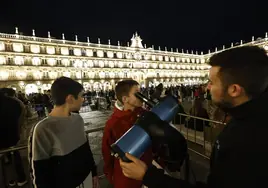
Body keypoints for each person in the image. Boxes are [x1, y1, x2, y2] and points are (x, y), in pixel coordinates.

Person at [119, 46, 268, 188]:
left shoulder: (247, 141)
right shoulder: (248, 119)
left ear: (234, 90)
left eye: (212, 82)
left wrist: (149, 176)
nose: (207, 87)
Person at [28, 77, 100, 188]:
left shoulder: (78, 119)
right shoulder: (43, 128)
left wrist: (93, 173)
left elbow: (86, 149)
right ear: (70, 98)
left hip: (86, 179)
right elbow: (39, 170)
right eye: (81, 96)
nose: (83, 99)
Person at [102, 80, 153, 188]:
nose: (141, 96)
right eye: (137, 93)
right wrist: (112, 176)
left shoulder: (146, 115)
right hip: (126, 178)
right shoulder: (113, 123)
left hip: (148, 172)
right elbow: (107, 153)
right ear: (125, 99)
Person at [0, 90, 28, 187]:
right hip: (12, 134)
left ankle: (10, 179)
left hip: (3, 135)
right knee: (14, 156)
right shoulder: (15, 102)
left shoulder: (12, 102)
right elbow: (21, 116)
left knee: (6, 158)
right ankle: (20, 178)